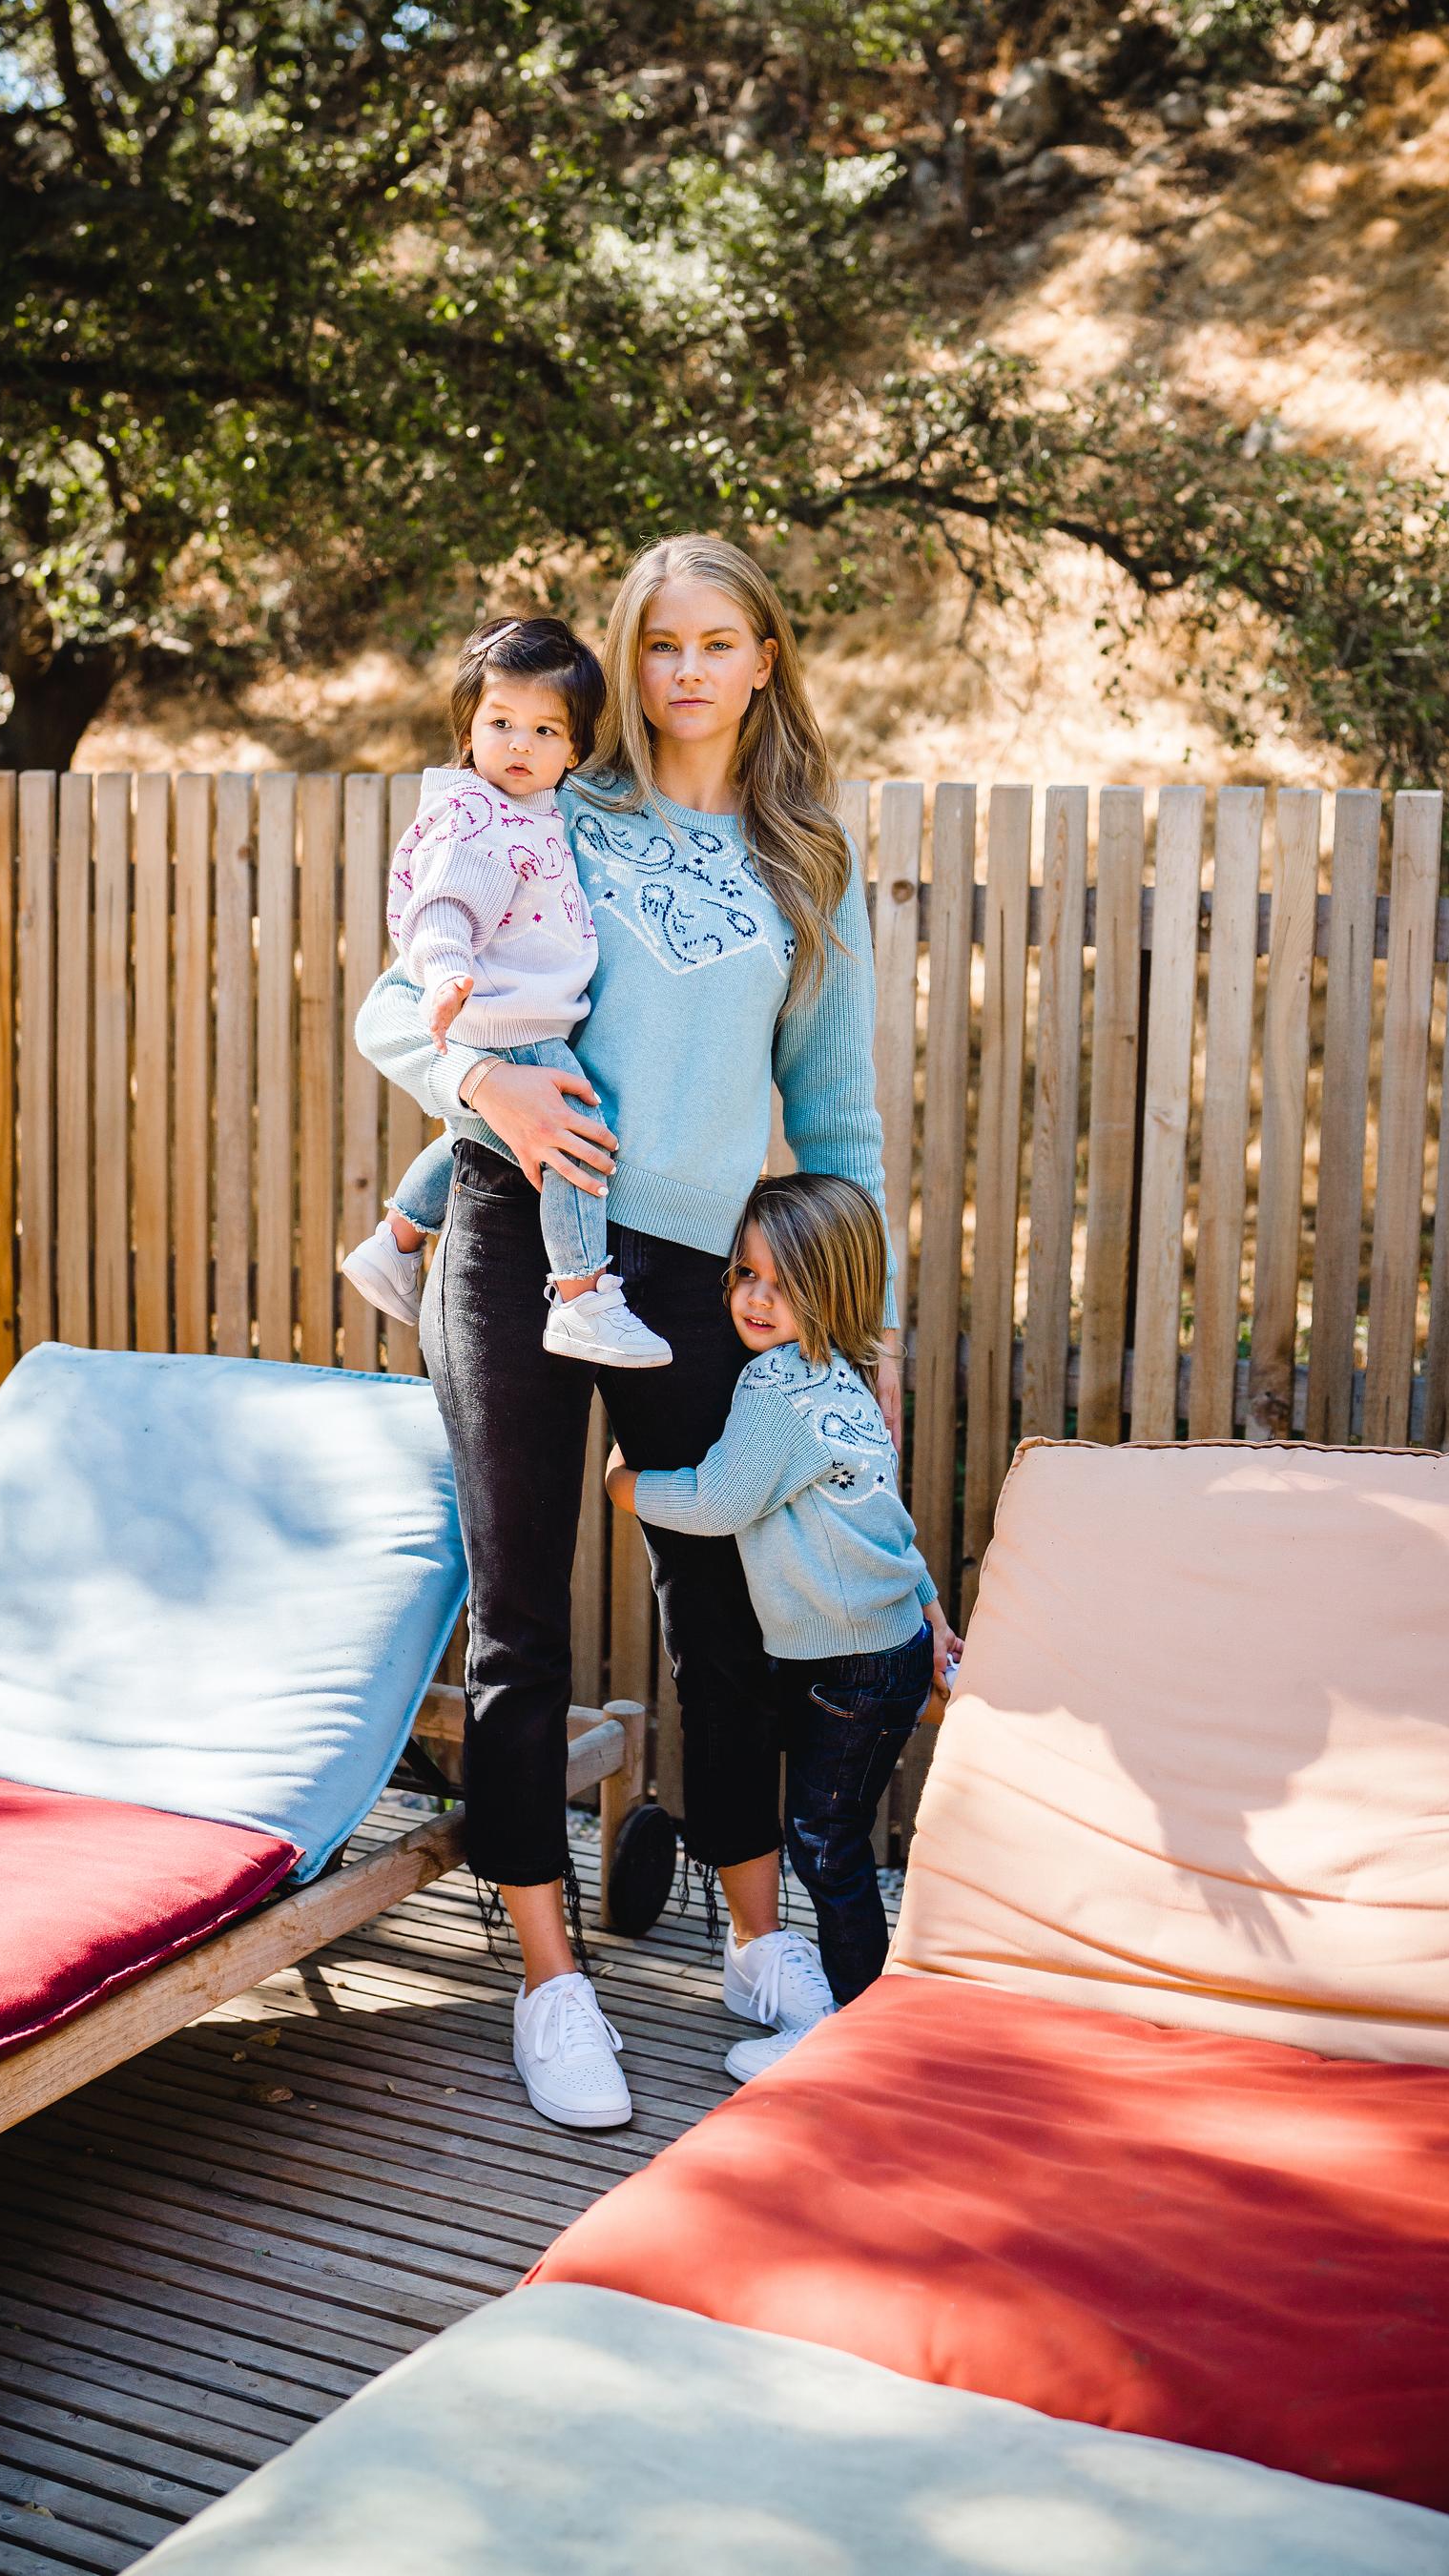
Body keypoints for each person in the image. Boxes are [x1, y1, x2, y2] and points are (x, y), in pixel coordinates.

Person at [355, 533, 897, 2132]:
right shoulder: (545, 800)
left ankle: (755, 1943)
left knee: (723, 1602)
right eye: (657, 642)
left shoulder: (804, 853)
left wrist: (841, 1315)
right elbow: (407, 1000)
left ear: (762, 660)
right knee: (518, 1607)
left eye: (715, 641)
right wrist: (489, 1086)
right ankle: (547, 1975)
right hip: (521, 1227)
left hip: (701, 1267)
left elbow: (838, 1114)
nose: (681, 673)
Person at [605, 1173, 959, 2081]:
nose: (757, 1299)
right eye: (745, 1275)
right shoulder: (842, 1387)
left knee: (827, 1850)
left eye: (783, 1282)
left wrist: (628, 1487)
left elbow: (721, 1502)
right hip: (890, 1650)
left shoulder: (771, 1389)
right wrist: (929, 1603)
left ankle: (851, 2034)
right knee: (836, 1841)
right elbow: (888, 1519)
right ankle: (860, 2011)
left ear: (831, 1288)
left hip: (847, 1667)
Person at [342, 615, 670, 1368]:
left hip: (515, 1010)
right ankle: (584, 1295)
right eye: (502, 723)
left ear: (576, 749)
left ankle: (394, 1243)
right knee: (575, 1138)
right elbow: (444, 904)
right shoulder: (481, 820)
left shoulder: (529, 811)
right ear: (468, 728)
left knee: (479, 1132)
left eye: (546, 731)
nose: (521, 745)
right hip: (510, 1015)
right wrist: (447, 966)